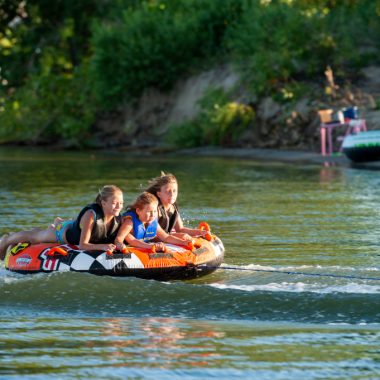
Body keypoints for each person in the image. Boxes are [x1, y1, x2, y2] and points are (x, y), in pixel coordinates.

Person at [0, 185, 124, 260]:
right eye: (114, 203)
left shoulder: (118, 219)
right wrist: (102, 246)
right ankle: (6, 240)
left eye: (121, 203)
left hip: (73, 226)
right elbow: (83, 245)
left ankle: (58, 222)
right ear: (103, 203)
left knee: (66, 225)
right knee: (35, 236)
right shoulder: (91, 215)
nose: (118, 206)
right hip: (62, 234)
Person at [115, 192, 188, 252]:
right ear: (138, 211)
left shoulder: (153, 221)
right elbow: (126, 240)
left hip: (146, 244)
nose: (153, 215)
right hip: (131, 247)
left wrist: (183, 242)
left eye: (155, 211)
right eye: (149, 212)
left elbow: (166, 237)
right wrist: (150, 246)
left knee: (164, 239)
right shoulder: (129, 222)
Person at [145, 172, 209, 240]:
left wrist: (200, 232)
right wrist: (177, 236)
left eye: (174, 191)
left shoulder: (173, 208)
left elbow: (180, 229)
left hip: (166, 237)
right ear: (159, 194)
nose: (172, 194)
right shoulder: (155, 210)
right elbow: (151, 236)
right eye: (168, 191)